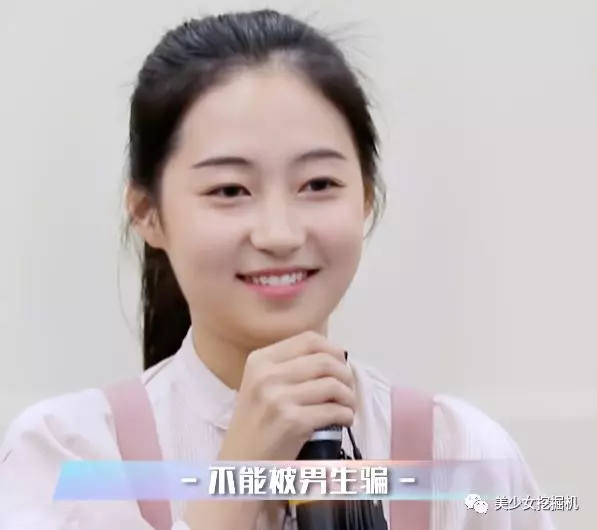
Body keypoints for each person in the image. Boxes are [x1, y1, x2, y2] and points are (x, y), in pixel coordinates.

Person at [0, 9, 555, 530]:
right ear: (148, 212)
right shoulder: (70, 457)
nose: (280, 234)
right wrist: (237, 480)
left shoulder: (461, 456)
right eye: (229, 190)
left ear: (366, 197)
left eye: (318, 184)